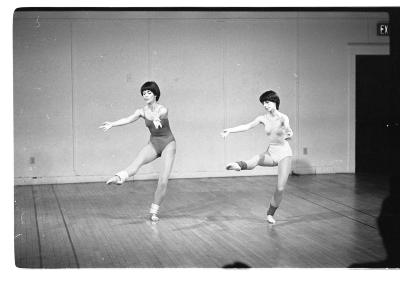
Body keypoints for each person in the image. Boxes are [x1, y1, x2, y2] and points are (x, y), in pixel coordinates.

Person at [99, 81, 176, 222]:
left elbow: (161, 114)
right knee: (136, 164)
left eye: (149, 92)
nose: (145, 95)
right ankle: (119, 178)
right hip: (154, 143)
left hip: (168, 144)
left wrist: (157, 118)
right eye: (144, 93)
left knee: (163, 180)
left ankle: (154, 211)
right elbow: (128, 119)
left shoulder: (163, 109)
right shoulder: (141, 111)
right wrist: (112, 124)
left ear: (155, 94)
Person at [221, 90, 293, 224]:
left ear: (274, 101)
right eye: (263, 103)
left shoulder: (284, 117)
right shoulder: (262, 118)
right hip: (271, 152)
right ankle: (239, 165)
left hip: (284, 154)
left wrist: (289, 133)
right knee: (258, 158)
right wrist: (230, 130)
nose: (265, 105)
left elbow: (288, 131)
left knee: (280, 188)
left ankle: (270, 214)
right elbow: (247, 126)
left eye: (267, 102)